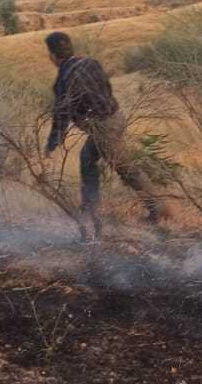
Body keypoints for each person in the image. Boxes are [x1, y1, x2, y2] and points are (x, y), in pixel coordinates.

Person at [43, 31, 163, 239]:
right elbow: (107, 88)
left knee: (125, 168)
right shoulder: (90, 62)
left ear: (53, 55)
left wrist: (52, 143)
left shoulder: (64, 80)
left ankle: (159, 209)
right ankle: (90, 208)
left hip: (103, 128)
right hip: (116, 116)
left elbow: (61, 116)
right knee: (87, 159)